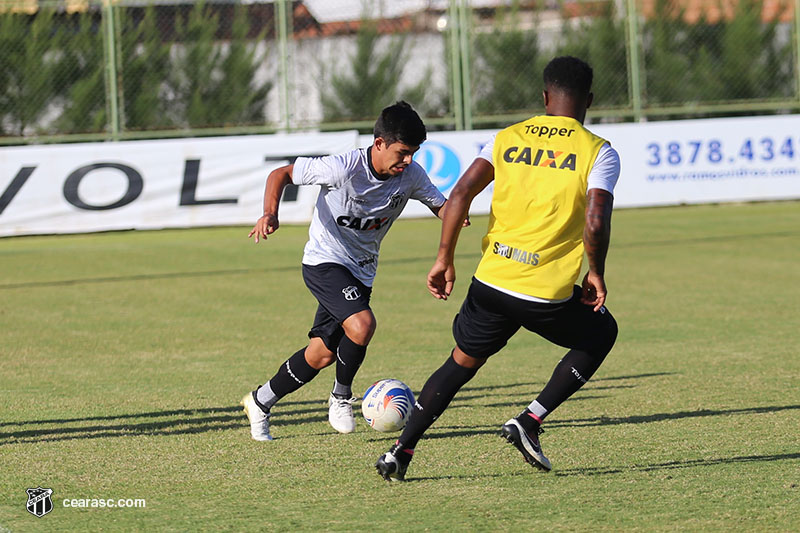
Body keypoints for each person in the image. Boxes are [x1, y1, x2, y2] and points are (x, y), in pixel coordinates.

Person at [375, 56, 620, 481]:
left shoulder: (508, 137)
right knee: (602, 333)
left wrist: (444, 258)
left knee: (460, 363)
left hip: (491, 281)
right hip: (544, 293)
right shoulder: (598, 151)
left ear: (545, 97)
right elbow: (596, 220)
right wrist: (594, 271)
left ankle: (400, 450)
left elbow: (460, 194)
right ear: (589, 101)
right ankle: (531, 420)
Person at [242, 101, 464, 441]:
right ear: (379, 144)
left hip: (361, 272)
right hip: (323, 261)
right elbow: (280, 174)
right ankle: (341, 397)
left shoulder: (412, 176)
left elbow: (441, 205)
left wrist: (456, 214)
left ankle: (261, 401)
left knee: (321, 354)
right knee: (362, 325)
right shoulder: (342, 167)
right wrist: (270, 213)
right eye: (403, 153)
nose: (408, 161)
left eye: (413, 154)